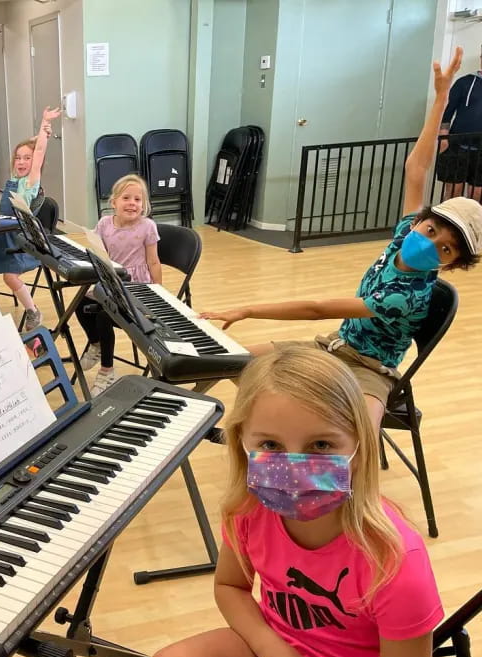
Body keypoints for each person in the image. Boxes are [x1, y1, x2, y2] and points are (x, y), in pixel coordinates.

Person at [148, 345, 444, 657]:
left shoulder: (393, 560)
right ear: (241, 442)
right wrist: (274, 652)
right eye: (271, 446)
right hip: (278, 648)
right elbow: (230, 587)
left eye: (321, 445)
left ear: (359, 447)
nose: (293, 469)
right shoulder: (248, 510)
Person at [200, 48, 481, 434]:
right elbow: (416, 167)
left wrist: (247, 309)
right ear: (421, 222)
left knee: (356, 438)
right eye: (431, 231)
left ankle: (298, 437)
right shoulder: (406, 233)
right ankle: (259, 427)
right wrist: (441, 100)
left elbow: (317, 308)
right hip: (335, 346)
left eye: (445, 249)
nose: (429, 244)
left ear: (451, 263)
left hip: (370, 370)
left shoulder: (408, 295)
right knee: (233, 362)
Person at [0, 106, 62, 331]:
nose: (21, 162)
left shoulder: (30, 182)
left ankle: (33, 311)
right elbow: (33, 147)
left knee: (9, 277)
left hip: (21, 239)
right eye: (18, 158)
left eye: (27, 158)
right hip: (4, 232)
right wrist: (38, 136)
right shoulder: (15, 178)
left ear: (36, 163)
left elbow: (39, 151)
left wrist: (44, 125)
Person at [75, 174, 161, 395]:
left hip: (135, 286)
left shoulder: (147, 227)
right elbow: (98, 253)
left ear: (144, 205)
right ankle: (96, 343)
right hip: (110, 281)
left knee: (105, 315)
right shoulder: (104, 224)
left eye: (138, 199)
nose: (132, 203)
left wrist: (158, 291)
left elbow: (153, 261)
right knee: (80, 304)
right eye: (126, 198)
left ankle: (107, 370)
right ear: (113, 202)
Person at [437, 45, 482, 200]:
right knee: (454, 192)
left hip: (481, 150)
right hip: (457, 145)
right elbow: (447, 111)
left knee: (477, 194)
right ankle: (448, 217)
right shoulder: (464, 82)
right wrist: (443, 138)